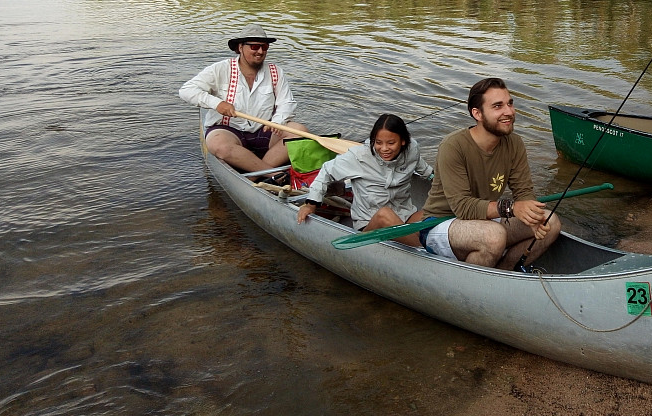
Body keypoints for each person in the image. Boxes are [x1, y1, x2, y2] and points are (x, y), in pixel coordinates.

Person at [414, 77, 561, 269]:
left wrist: (531, 216)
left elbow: (524, 192)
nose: (509, 112)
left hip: (486, 220)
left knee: (551, 222)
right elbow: (463, 208)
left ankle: (503, 273)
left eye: (510, 104)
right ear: (477, 113)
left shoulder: (515, 144)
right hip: (442, 223)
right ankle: (469, 286)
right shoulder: (453, 146)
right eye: (498, 106)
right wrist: (512, 208)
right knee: (494, 236)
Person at [179, 24, 307, 173]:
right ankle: (272, 173)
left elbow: (286, 103)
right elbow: (186, 90)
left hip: (264, 130)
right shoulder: (220, 69)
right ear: (240, 47)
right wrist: (217, 103)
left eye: (264, 47)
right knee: (219, 146)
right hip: (229, 132)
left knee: (300, 131)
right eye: (254, 47)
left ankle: (255, 174)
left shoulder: (275, 72)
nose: (260, 52)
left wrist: (278, 122)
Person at [296, 114, 433, 246]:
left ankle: (417, 241)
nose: (384, 148)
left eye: (391, 143)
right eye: (378, 142)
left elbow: (428, 172)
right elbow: (326, 171)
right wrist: (311, 204)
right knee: (385, 214)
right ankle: (422, 249)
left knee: (437, 210)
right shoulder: (359, 156)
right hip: (370, 224)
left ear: (403, 141)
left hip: (405, 217)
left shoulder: (412, 150)